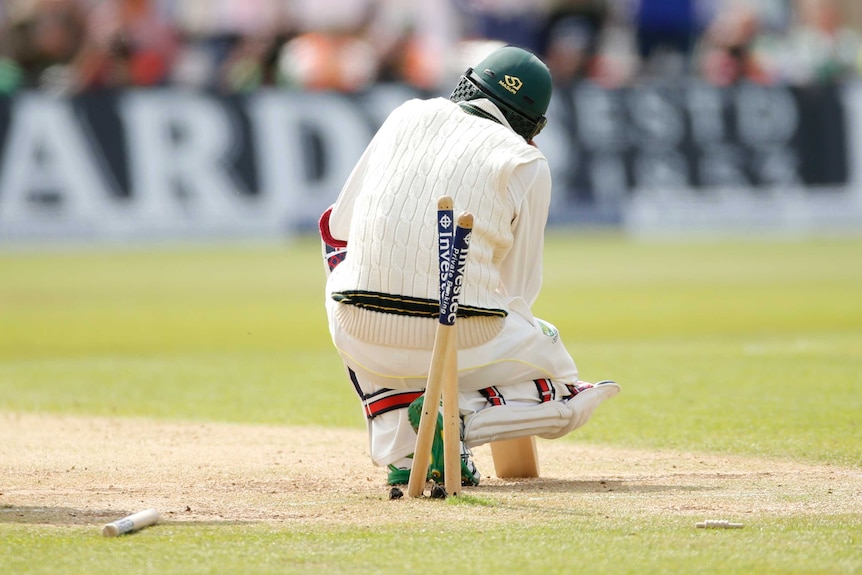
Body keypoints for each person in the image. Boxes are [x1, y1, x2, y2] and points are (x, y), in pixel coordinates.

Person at [319, 45, 619, 487]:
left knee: (341, 258)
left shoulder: (406, 114)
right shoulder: (528, 162)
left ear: (468, 83)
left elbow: (339, 225)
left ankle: (402, 448)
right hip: (461, 335)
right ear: (534, 127)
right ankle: (462, 425)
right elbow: (517, 292)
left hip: (355, 328)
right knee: (568, 382)